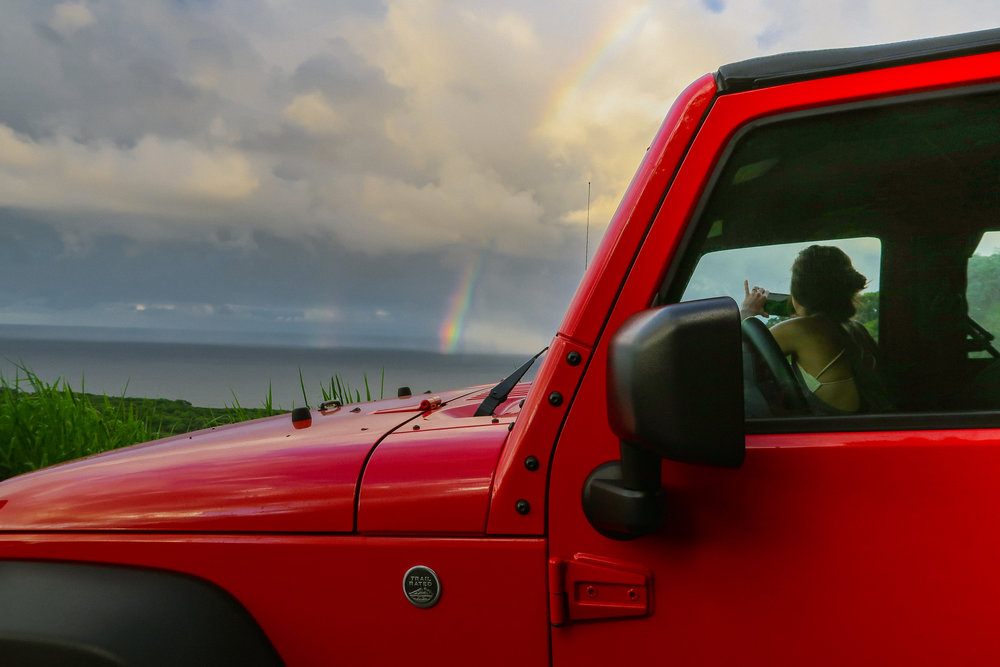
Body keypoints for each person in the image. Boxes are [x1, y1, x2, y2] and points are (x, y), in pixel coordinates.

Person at [740, 245, 884, 413]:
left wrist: (746, 312)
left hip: (831, 432)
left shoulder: (799, 330)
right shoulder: (856, 329)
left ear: (798, 291)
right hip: (859, 426)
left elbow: (736, 361)